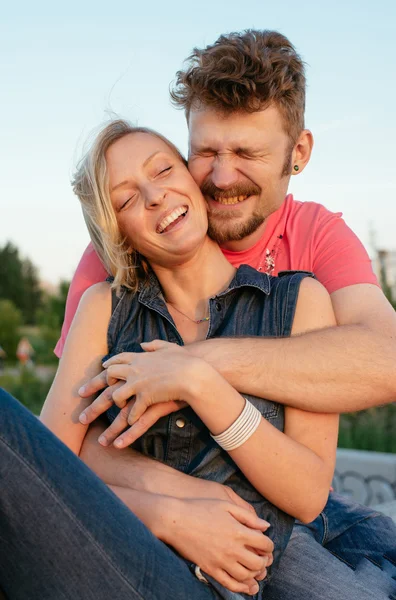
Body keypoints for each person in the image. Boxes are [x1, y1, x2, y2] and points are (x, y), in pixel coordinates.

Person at [55, 30, 396, 599]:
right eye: (205, 152)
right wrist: (170, 505)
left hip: (285, 503)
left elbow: (385, 360)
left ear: (299, 153)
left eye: (248, 154)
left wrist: (194, 369)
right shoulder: (115, 269)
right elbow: (66, 438)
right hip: (163, 504)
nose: (220, 176)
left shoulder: (314, 244)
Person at [1, 121, 340, 599]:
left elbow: (307, 495)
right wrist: (166, 516)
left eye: (162, 170)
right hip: (119, 556)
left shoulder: (298, 301)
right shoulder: (104, 307)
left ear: (191, 179)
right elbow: (47, 470)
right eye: (126, 199)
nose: (155, 195)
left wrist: (200, 381)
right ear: (117, 232)